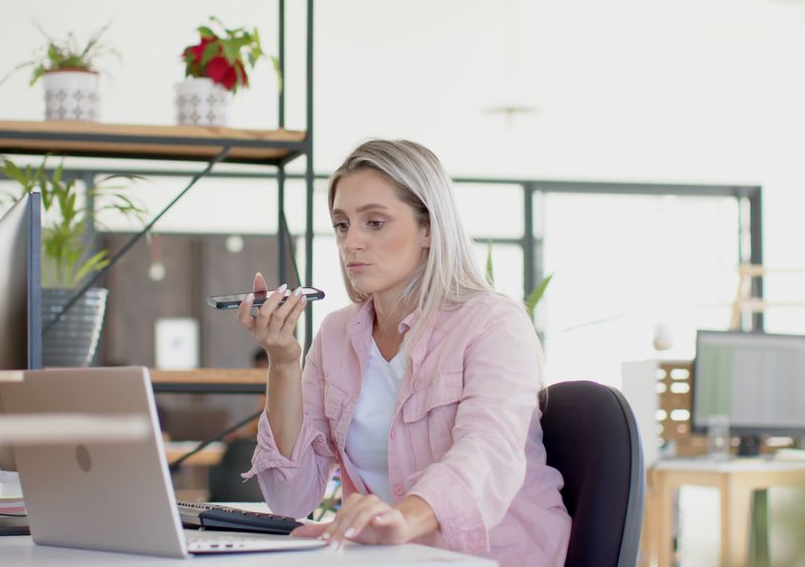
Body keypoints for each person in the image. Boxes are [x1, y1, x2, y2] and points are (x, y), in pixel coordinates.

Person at [238, 140, 570, 566]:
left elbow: (488, 453)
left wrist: (403, 519)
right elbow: (290, 497)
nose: (351, 242)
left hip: (499, 557)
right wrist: (283, 361)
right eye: (342, 225)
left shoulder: (493, 323)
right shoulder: (337, 334)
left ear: (429, 227)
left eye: (374, 223)